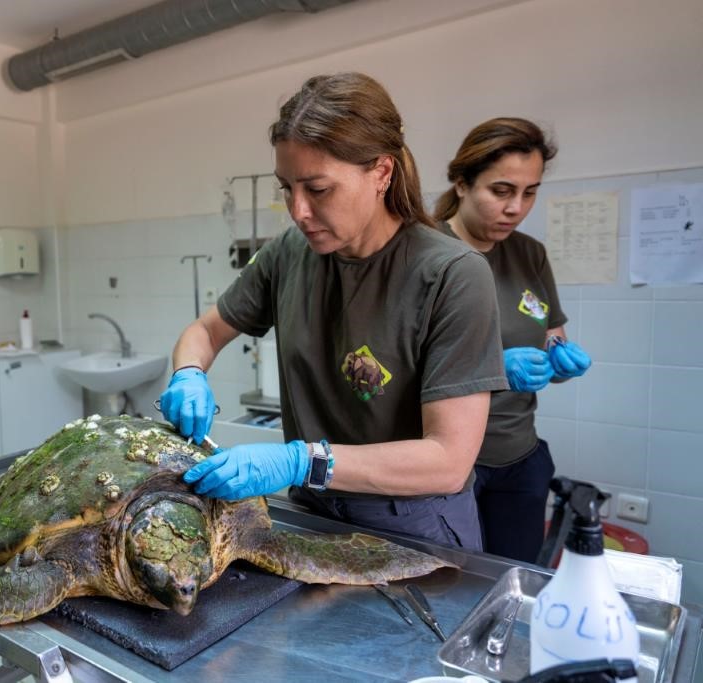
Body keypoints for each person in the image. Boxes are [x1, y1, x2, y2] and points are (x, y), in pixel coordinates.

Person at [158, 72, 510, 550]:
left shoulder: (452, 274)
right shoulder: (289, 254)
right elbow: (206, 329)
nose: (298, 211)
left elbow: (447, 461)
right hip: (314, 512)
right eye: (286, 188)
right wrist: (189, 373)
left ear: (382, 173)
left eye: (318, 189)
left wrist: (301, 461)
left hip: (413, 525)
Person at [433, 117, 592, 562]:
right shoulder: (422, 251)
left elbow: (550, 338)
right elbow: (397, 368)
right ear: (462, 183)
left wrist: (559, 359)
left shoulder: (529, 254)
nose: (516, 208)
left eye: (530, 192)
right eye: (501, 191)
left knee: (513, 583)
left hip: (520, 458)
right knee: (449, 589)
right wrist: (493, 368)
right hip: (449, 466)